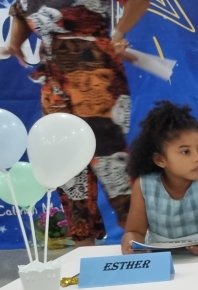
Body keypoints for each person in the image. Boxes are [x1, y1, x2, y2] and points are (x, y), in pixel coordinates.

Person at [6, 0, 150, 246]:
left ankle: (141, 246)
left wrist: (119, 32)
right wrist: (15, 42)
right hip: (54, 87)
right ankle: (83, 251)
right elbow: (20, 10)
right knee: (68, 169)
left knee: (113, 166)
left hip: (97, 84)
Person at [120, 101, 198, 255]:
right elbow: (134, 232)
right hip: (162, 261)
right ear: (160, 160)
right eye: (185, 152)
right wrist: (129, 243)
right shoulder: (144, 185)